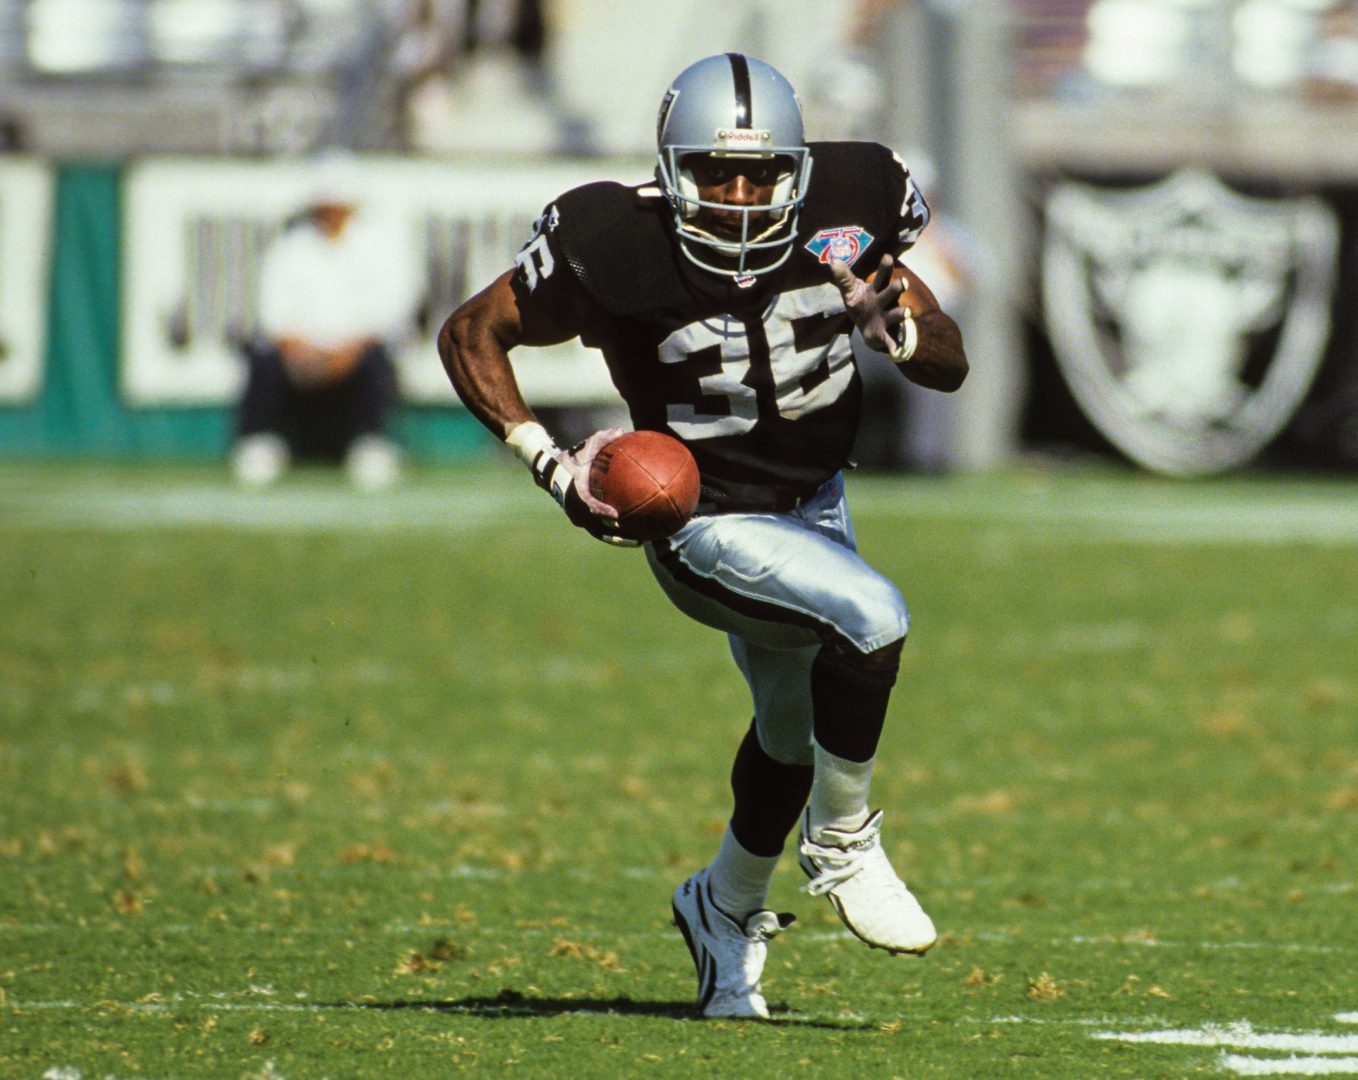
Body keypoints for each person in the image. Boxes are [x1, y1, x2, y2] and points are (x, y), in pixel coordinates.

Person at [438, 53, 967, 1019]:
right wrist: (548, 463)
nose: (740, 198)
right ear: (670, 170)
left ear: (798, 172)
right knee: (873, 616)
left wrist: (894, 328)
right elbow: (472, 333)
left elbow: (948, 358)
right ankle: (842, 844)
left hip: (817, 504)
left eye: (762, 176)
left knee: (790, 733)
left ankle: (723, 905)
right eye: (717, 175)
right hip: (702, 519)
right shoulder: (615, 242)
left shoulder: (851, 207)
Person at [232, 161, 420, 490]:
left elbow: (392, 311)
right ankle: (261, 440)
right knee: (262, 357)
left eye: (337, 206)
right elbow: (274, 314)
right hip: (301, 353)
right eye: (324, 207)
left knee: (379, 358)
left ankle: (370, 442)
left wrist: (347, 352)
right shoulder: (291, 248)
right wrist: (297, 348)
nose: (331, 215)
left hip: (358, 350)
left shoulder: (381, 247)